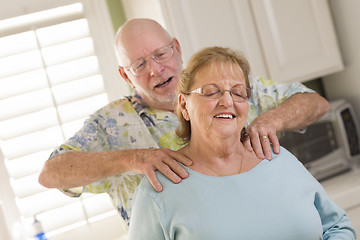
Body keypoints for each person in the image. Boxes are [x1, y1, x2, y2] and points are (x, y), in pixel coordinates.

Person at [38, 18, 330, 227]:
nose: (155, 69)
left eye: (160, 53)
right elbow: (50, 173)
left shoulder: (228, 86)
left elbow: (315, 102)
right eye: (139, 65)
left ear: (176, 48)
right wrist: (134, 159)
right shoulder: (109, 124)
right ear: (125, 76)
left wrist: (268, 121)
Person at [128, 46, 356, 240]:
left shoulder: (277, 157)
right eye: (211, 92)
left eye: (238, 92)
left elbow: (337, 227)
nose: (227, 101)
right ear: (184, 105)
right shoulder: (158, 191)